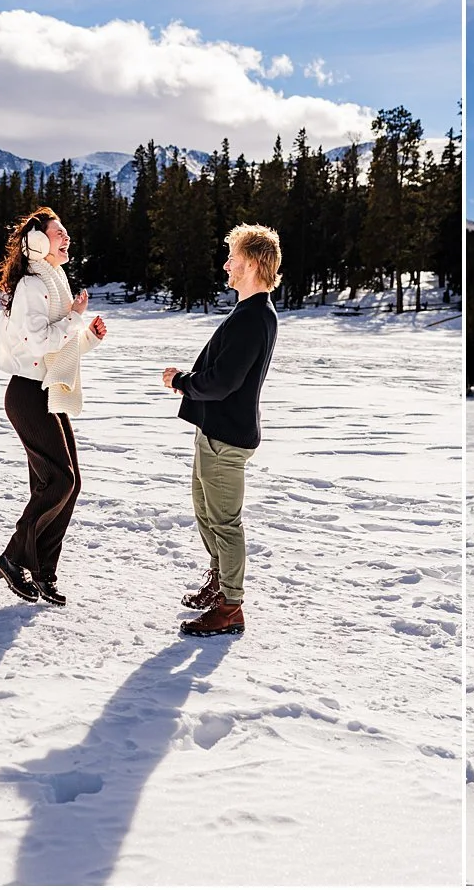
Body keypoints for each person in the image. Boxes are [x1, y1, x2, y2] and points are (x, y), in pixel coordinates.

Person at [164, 224, 282, 638]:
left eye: (232, 257)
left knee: (225, 522)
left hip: (226, 439)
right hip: (213, 431)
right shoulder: (248, 312)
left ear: (252, 264)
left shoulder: (254, 317)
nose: (226, 265)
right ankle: (219, 582)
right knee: (206, 513)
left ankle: (231, 607)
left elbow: (223, 382)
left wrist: (182, 381)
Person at [0, 207, 108, 606]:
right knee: (60, 480)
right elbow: (37, 342)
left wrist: (88, 337)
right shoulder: (30, 286)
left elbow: (59, 350)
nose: (67, 238)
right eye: (59, 233)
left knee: (67, 486)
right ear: (38, 242)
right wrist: (75, 318)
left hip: (47, 390)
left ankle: (42, 570)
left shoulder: (55, 282)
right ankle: (12, 557)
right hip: (27, 394)